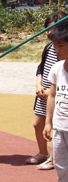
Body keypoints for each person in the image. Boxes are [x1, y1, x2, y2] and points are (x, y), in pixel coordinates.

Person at [29, 11, 67, 170]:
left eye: (54, 29)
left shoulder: (63, 49)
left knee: (56, 127)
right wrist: (38, 85)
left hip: (57, 94)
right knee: (38, 123)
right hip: (43, 93)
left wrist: (53, 91)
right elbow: (41, 67)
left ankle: (53, 157)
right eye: (48, 30)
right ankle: (43, 152)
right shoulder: (49, 47)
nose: (50, 33)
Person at [42, 18, 68, 182]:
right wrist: (48, 122)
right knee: (61, 166)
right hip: (60, 127)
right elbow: (52, 95)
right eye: (55, 46)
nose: (56, 50)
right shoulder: (58, 68)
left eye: (61, 46)